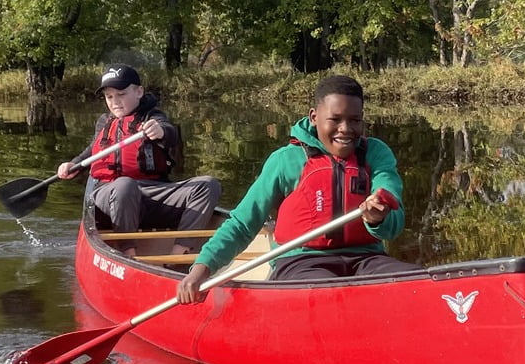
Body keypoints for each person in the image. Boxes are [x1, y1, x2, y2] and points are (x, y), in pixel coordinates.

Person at [176, 74, 419, 302]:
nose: (346, 129)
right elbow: (242, 224)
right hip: (301, 262)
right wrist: (202, 268)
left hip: (366, 259)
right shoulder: (285, 161)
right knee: (328, 292)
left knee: (418, 283)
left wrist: (379, 217)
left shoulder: (376, 153)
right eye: (335, 119)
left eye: (355, 120)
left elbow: (392, 209)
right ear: (314, 117)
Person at [58, 67, 220, 239]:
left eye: (121, 94)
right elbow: (92, 152)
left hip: (151, 193)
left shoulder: (153, 117)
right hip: (109, 195)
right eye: (109, 96)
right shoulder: (104, 122)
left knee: (208, 185)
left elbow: (169, 133)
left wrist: (160, 131)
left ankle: (182, 250)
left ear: (139, 92)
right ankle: (127, 251)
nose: (115, 102)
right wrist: (73, 164)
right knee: (125, 186)